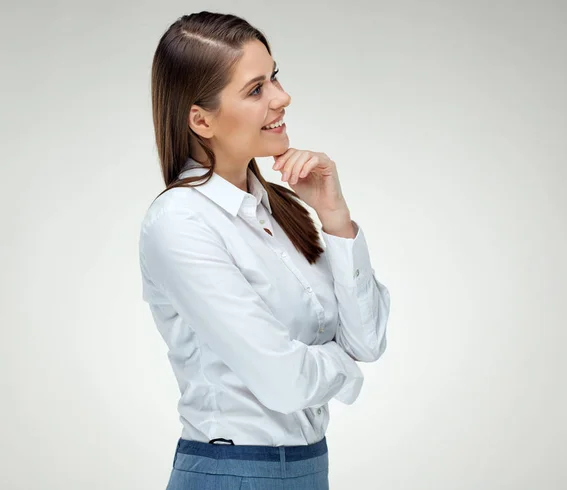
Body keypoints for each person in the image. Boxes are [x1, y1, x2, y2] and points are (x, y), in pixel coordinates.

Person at [138, 11, 391, 490]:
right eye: (256, 89)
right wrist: (346, 370)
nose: (282, 97)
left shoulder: (279, 211)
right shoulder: (181, 222)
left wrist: (336, 221)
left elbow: (368, 340)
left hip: (308, 468)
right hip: (235, 473)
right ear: (201, 119)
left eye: (274, 77)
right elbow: (284, 380)